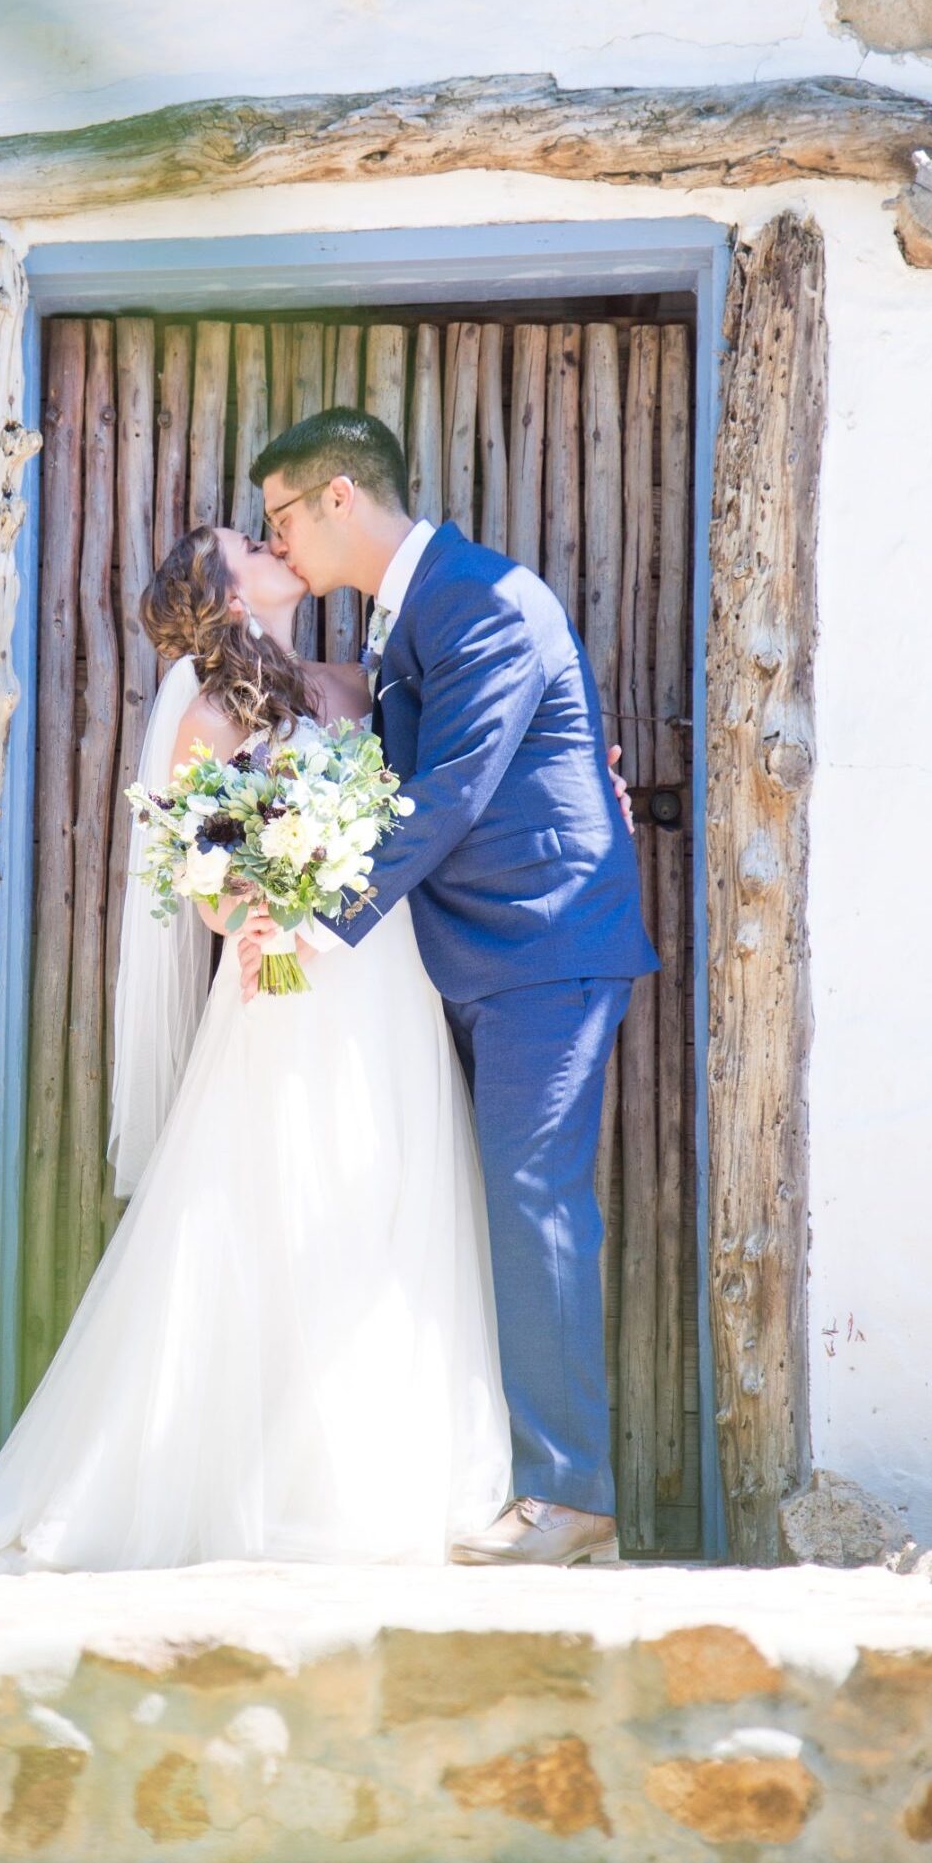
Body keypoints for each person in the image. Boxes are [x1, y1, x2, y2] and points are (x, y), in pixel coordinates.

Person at [0, 520, 512, 1579]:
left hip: (385, 970)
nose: (271, 541)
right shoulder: (207, 716)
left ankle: (380, 1466)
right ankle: (268, 1486)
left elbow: (439, 790)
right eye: (249, 543)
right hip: (289, 990)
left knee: (390, 1190)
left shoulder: (350, 683)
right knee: (283, 1201)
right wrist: (260, 908)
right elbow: (195, 871)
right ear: (233, 598)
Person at [240, 407, 659, 1569]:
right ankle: (536, 1485)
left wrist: (324, 918)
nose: (280, 544)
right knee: (508, 1199)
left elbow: (459, 785)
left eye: (281, 516)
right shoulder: (405, 612)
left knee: (536, 1195)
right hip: (481, 948)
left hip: (546, 941)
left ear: (338, 497)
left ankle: (574, 1500)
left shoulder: (482, 594)